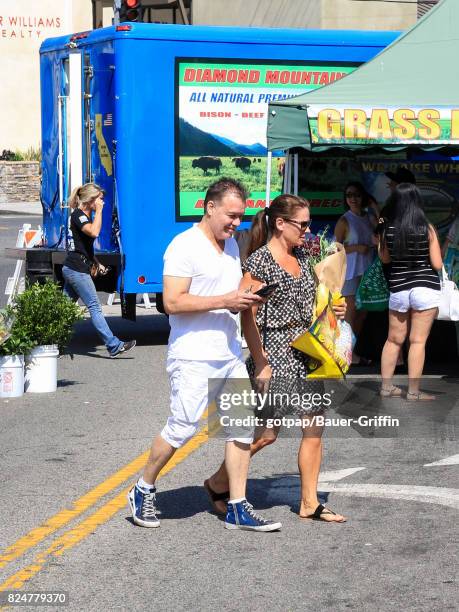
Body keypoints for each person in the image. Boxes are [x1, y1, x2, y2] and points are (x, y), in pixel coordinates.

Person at [128, 177, 282, 532]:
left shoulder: (229, 247)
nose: (236, 223)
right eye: (231, 215)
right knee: (182, 427)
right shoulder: (183, 246)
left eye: (240, 216)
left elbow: (228, 295)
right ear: (209, 207)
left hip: (227, 353)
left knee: (241, 429)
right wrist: (225, 301)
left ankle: (237, 506)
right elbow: (172, 302)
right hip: (193, 355)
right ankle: (143, 487)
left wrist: (248, 297)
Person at [206, 194, 347, 523]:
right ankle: (217, 483)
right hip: (275, 347)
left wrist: (334, 309)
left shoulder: (307, 255)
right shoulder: (258, 262)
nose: (308, 230)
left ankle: (309, 502)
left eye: (310, 224)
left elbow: (319, 297)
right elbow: (247, 316)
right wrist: (261, 360)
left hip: (308, 347)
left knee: (314, 427)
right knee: (267, 432)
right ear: (280, 224)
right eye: (303, 224)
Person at [379, 183, 442, 400]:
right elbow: (437, 264)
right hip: (425, 287)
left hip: (398, 288)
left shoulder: (389, 228)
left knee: (393, 340)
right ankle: (413, 392)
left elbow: (385, 259)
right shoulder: (427, 228)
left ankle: (386, 388)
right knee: (417, 342)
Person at [62, 183, 136, 358]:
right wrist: (101, 211)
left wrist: (96, 262)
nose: (102, 202)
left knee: (63, 310)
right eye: (99, 199)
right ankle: (113, 345)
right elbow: (94, 232)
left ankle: (50, 343)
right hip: (76, 270)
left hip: (75, 266)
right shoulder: (79, 216)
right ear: (90, 199)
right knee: (95, 306)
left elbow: (83, 247)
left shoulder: (83, 215)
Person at [334, 182, 377, 365]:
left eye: (357, 195)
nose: (353, 198)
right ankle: (346, 354)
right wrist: (356, 248)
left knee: (362, 314)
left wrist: (375, 207)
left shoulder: (369, 217)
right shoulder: (345, 220)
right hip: (350, 273)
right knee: (349, 315)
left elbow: (381, 228)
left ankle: (351, 351)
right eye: (349, 195)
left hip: (367, 273)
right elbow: (335, 248)